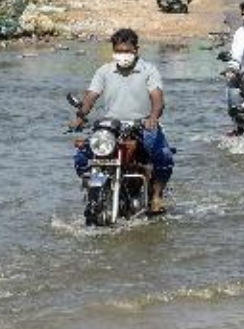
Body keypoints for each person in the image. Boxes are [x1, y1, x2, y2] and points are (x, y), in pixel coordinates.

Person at [69, 28, 174, 215]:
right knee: (81, 158)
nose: (122, 55)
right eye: (118, 51)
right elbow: (91, 97)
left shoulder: (149, 70)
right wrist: (80, 116)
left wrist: (153, 118)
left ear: (136, 49)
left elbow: (157, 98)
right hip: (111, 128)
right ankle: (93, 192)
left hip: (141, 125)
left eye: (127, 51)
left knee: (163, 156)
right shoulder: (104, 71)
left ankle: (157, 195)